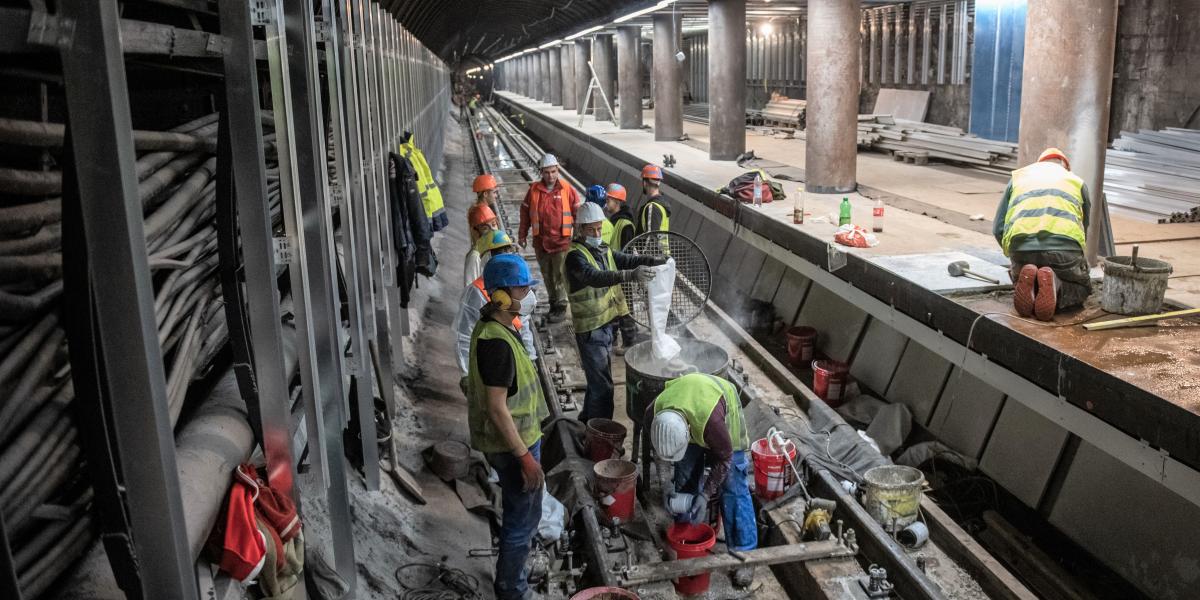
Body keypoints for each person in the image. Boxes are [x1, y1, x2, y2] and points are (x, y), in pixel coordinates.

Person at [466, 254, 548, 600]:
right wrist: (525, 458)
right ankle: (512, 589)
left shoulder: (496, 328)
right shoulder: (496, 342)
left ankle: (512, 575)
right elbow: (498, 409)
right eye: (522, 288)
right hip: (515, 447)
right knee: (522, 519)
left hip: (515, 443)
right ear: (500, 296)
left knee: (522, 511)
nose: (528, 294)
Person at [646, 372, 757, 588]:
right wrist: (666, 482)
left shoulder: (712, 423)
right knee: (685, 475)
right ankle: (686, 537)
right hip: (690, 411)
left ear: (687, 432)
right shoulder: (654, 413)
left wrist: (705, 495)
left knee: (733, 485)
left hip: (715, 407)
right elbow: (660, 452)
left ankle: (745, 555)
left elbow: (724, 459)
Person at [566, 202, 664, 422]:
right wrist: (630, 275)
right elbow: (594, 277)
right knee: (603, 390)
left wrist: (652, 261)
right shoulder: (575, 257)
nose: (596, 233)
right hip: (590, 332)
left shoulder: (602, 249)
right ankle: (600, 434)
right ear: (580, 229)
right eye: (591, 229)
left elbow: (625, 259)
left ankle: (585, 425)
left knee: (597, 382)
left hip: (606, 327)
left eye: (599, 228)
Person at [994, 148, 1092, 321]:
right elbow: (1084, 228)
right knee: (1083, 288)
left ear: (1038, 164)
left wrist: (1013, 256)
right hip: (1063, 250)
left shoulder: (1019, 178)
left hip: (1021, 248)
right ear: (1065, 166)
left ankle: (1027, 284)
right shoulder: (1076, 181)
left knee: (1022, 274)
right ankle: (1057, 285)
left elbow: (997, 228)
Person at [455, 231, 537, 388]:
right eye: (499, 251)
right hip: (492, 364)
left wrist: (531, 357)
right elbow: (463, 336)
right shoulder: (476, 292)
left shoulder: (517, 284)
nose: (504, 255)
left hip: (515, 356)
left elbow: (523, 323)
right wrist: (466, 373)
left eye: (507, 250)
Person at [519, 153, 580, 323]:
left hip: (562, 242)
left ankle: (561, 306)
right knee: (547, 275)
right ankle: (553, 304)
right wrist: (522, 235)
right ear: (541, 172)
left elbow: (577, 213)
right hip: (541, 243)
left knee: (560, 275)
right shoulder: (534, 190)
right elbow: (525, 213)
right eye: (546, 172)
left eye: (553, 172)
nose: (550, 176)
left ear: (557, 170)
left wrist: (580, 238)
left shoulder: (567, 189)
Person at [603, 183, 641, 354]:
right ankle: (615, 339)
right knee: (615, 307)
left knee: (625, 308)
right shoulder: (615, 220)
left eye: (608, 200)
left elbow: (626, 251)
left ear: (616, 201)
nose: (606, 203)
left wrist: (624, 274)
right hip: (614, 272)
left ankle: (629, 343)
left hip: (622, 273)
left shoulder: (624, 224)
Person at [636, 163, 670, 235]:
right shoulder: (661, 205)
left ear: (644, 183)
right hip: (662, 246)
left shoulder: (652, 207)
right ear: (659, 183)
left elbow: (651, 238)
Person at [604, 183, 636, 251]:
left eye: (608, 200)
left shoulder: (626, 225)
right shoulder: (610, 219)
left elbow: (628, 254)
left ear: (617, 202)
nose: (605, 203)